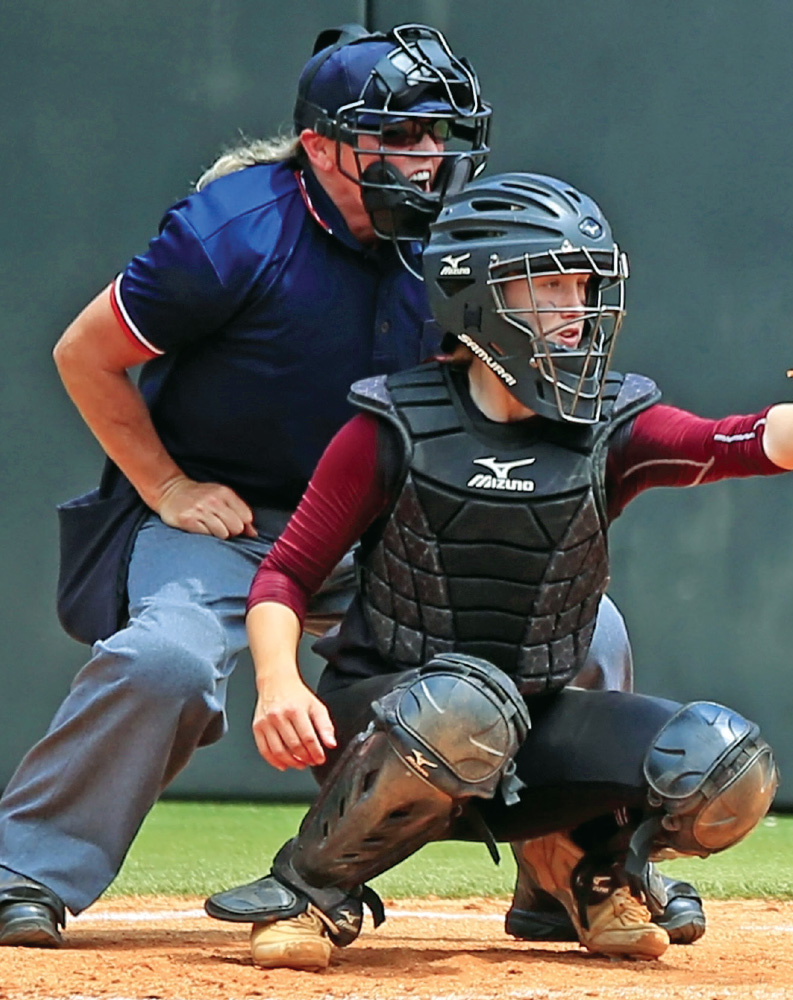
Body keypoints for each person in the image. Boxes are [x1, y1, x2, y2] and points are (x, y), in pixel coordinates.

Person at [204, 171, 793, 969]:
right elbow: (286, 575)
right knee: (463, 703)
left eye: (583, 283)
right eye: (549, 285)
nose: (576, 307)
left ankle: (582, 870)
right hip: (386, 722)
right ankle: (311, 889)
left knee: (725, 764)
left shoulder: (610, 423)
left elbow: (736, 441)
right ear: (474, 296)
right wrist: (278, 683)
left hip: (532, 723)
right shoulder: (391, 424)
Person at [0, 22, 497, 947]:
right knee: (167, 661)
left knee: (580, 630)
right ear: (320, 146)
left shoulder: (457, 243)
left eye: (437, 136)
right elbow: (85, 356)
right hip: (230, 523)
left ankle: (585, 873)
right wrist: (166, 485)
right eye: (399, 136)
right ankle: (21, 870)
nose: (427, 160)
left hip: (384, 528)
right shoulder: (230, 234)